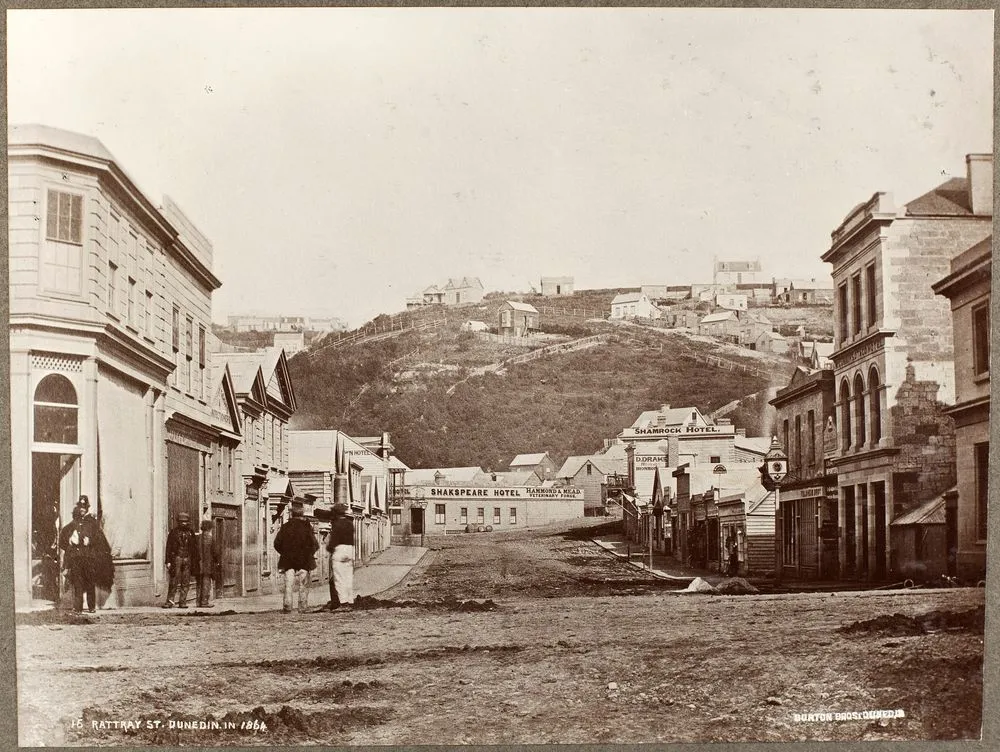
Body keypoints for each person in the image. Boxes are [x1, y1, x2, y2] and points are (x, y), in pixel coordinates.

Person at [58, 496, 113, 613]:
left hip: (89, 558)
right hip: (77, 558)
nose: (82, 509)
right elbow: (64, 534)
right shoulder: (75, 522)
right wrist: (68, 540)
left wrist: (91, 541)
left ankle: (91, 607)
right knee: (78, 583)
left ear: (87, 508)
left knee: (89, 582)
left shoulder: (92, 522)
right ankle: (78, 608)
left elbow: (100, 540)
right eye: (80, 507)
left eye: (84, 507)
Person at [273, 499, 319, 614]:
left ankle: (287, 607)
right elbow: (315, 544)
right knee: (303, 584)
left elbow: (277, 543)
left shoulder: (285, 527)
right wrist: (309, 554)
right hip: (304, 560)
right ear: (302, 514)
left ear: (291, 514)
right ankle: (302, 607)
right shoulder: (307, 527)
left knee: (288, 584)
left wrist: (284, 553)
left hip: (288, 560)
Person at [163, 511, 199, 608]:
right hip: (176, 558)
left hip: (188, 558)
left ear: (188, 522)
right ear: (178, 522)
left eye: (186, 521)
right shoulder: (173, 533)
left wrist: (195, 561)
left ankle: (183, 602)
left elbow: (195, 548)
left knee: (186, 581)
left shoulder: (191, 533)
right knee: (174, 580)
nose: (184, 523)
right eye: (182, 521)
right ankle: (169, 601)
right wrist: (168, 561)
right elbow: (168, 547)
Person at [326, 503, 355, 610]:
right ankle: (350, 601)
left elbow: (334, 540)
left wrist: (329, 548)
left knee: (339, 578)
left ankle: (343, 603)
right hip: (350, 549)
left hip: (339, 550)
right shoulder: (349, 523)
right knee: (348, 577)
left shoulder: (337, 524)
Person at [195, 519, 221, 608]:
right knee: (206, 583)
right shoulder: (211, 539)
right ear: (210, 528)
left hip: (198, 564)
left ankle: (198, 602)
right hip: (208, 565)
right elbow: (215, 552)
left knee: (199, 583)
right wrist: (217, 562)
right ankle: (204, 602)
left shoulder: (197, 538)